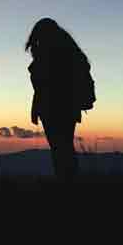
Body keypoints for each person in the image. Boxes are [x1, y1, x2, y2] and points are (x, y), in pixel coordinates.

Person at [26, 17, 94, 181]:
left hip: (53, 108)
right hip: (67, 108)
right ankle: (68, 179)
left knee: (60, 149)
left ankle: (65, 180)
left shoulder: (50, 54)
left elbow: (44, 85)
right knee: (64, 147)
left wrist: (37, 108)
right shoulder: (68, 52)